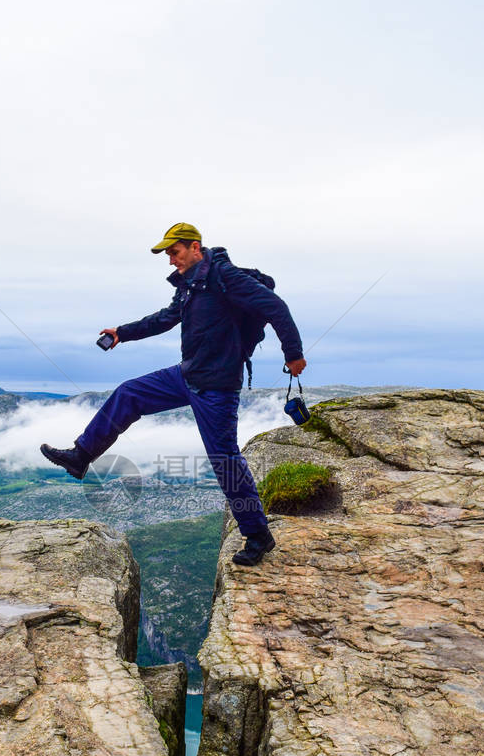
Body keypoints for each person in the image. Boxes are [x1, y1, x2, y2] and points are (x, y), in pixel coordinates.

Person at [41, 222, 307, 566]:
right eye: (168, 254)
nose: (171, 260)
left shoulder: (225, 278)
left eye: (175, 252)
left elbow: (276, 307)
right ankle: (80, 456)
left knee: (224, 460)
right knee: (129, 393)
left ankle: (258, 535)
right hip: (188, 374)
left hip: (217, 386)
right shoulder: (191, 286)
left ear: (195, 247)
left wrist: (293, 354)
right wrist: (123, 332)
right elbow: (166, 318)